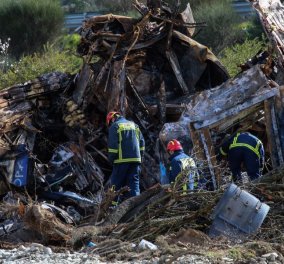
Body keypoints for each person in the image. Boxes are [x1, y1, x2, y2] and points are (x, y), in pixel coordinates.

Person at [106, 111, 145, 202]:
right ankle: (136, 206)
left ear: (112, 119)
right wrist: (140, 157)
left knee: (115, 185)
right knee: (134, 185)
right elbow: (142, 143)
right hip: (135, 160)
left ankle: (112, 206)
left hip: (121, 161)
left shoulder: (115, 126)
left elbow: (113, 147)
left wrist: (111, 159)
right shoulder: (134, 125)